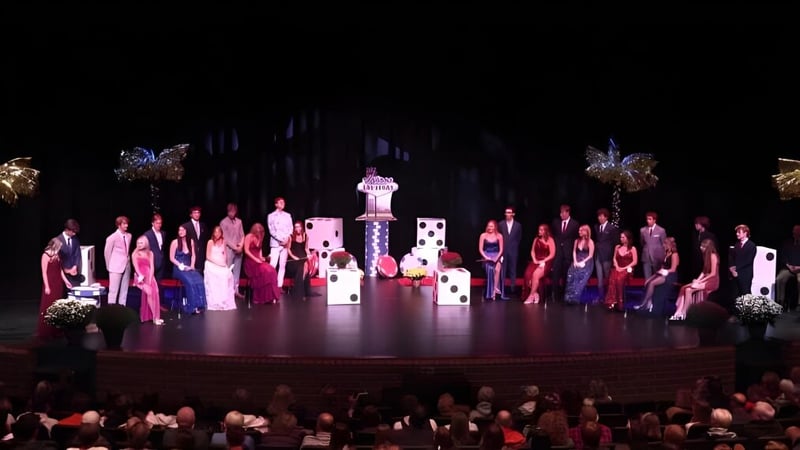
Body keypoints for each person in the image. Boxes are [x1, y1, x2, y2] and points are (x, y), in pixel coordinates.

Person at [671, 239, 719, 321]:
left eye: (703, 246)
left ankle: (684, 312)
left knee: (689, 290)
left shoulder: (713, 255)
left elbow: (713, 273)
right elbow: (704, 271)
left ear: (708, 247)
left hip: (712, 281)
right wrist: (697, 279)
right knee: (685, 288)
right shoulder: (705, 255)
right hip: (705, 279)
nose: (701, 247)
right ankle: (680, 312)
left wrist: (700, 281)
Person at [634, 236, 679, 313]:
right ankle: (649, 303)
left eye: (665, 244)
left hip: (670, 275)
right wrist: (654, 275)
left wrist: (664, 271)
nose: (663, 245)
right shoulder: (667, 253)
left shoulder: (674, 255)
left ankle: (644, 304)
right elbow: (662, 268)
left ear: (669, 244)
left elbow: (673, 269)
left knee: (652, 283)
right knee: (648, 282)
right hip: (663, 273)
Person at [169, 224, 207, 314]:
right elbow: (171, 258)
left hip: (189, 267)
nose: (181, 232)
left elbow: (193, 255)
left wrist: (192, 266)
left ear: (187, 231)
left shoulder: (191, 242)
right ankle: (192, 307)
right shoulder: (175, 242)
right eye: (179, 230)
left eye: (183, 230)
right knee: (190, 282)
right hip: (179, 268)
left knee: (199, 280)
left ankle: (199, 305)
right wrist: (181, 266)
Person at [39, 237, 70, 339]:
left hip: (58, 283)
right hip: (50, 283)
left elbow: (60, 270)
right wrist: (47, 286)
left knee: (57, 306)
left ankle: (56, 330)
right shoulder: (45, 255)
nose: (60, 249)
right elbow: (44, 272)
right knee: (49, 307)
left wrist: (66, 281)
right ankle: (47, 331)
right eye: (59, 247)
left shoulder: (57, 255)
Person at [243, 222, 282, 304]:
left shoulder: (260, 238)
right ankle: (259, 297)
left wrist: (263, 258)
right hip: (250, 262)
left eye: (261, 232)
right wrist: (256, 259)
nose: (259, 233)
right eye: (258, 231)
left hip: (258, 261)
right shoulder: (249, 236)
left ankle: (270, 296)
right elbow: (246, 251)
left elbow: (260, 253)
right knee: (265, 271)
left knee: (271, 270)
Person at [604, 230, 638, 312]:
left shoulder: (632, 248)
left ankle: (620, 303)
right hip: (618, 267)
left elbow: (635, 262)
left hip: (628, 269)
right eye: (620, 237)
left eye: (623, 237)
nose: (621, 239)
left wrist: (623, 268)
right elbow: (614, 258)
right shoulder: (617, 247)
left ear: (627, 238)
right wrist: (617, 266)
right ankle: (612, 302)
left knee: (619, 279)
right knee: (612, 278)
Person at [132, 236, 163, 325]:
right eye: (138, 243)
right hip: (140, 276)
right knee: (149, 293)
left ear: (145, 243)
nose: (139, 245)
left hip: (149, 275)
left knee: (154, 293)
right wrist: (140, 276)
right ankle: (155, 318)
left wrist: (150, 278)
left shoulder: (150, 253)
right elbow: (136, 267)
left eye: (141, 243)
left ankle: (154, 316)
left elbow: (152, 267)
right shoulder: (135, 254)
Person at [204, 225, 237, 311]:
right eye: (215, 232)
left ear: (221, 233)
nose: (217, 233)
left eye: (219, 232)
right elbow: (208, 256)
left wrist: (225, 265)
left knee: (228, 275)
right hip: (212, 263)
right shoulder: (210, 242)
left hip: (221, 263)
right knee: (218, 275)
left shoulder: (224, 241)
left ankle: (224, 300)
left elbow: (225, 254)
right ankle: (216, 301)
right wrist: (218, 263)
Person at [551, 204, 580, 301]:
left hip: (568, 253)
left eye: (563, 212)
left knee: (566, 275)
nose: (561, 214)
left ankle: (565, 295)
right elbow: (553, 235)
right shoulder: (556, 222)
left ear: (568, 212)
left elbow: (576, 239)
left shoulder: (575, 224)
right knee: (555, 274)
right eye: (560, 212)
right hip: (558, 253)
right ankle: (555, 295)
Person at [523, 224, 556, 304]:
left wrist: (544, 261)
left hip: (546, 261)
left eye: (541, 230)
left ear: (546, 231)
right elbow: (532, 251)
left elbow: (552, 254)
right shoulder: (536, 239)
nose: (539, 231)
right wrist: (534, 260)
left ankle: (531, 296)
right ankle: (536, 294)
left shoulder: (550, 240)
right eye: (539, 230)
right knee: (527, 274)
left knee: (535, 275)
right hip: (536, 260)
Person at [104, 216, 132, 306]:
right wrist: (109, 266)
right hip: (115, 267)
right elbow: (107, 253)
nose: (126, 225)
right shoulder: (112, 237)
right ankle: (111, 310)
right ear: (119, 225)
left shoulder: (129, 236)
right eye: (124, 224)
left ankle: (122, 309)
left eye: (127, 223)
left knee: (124, 290)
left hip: (126, 266)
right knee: (113, 290)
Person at [285, 221, 318, 299]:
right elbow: (288, 249)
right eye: (296, 227)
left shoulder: (305, 236)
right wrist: (294, 257)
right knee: (303, 266)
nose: (297, 229)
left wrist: (309, 254)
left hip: (303, 258)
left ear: (302, 227)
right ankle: (300, 289)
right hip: (294, 260)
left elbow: (306, 248)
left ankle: (299, 289)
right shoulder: (291, 236)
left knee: (305, 265)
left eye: (299, 227)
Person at [593, 208, 620, 303]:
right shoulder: (596, 227)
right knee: (599, 278)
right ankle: (601, 297)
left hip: (607, 256)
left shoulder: (612, 228)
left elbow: (616, 244)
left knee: (608, 277)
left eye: (601, 216)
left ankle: (609, 297)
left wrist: (614, 257)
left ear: (606, 217)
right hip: (598, 256)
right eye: (598, 216)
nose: (599, 218)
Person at [564, 224, 595, 305]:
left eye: (581, 230)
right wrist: (575, 261)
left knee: (580, 275)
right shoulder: (576, 241)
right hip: (577, 259)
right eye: (579, 230)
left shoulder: (590, 242)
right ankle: (568, 297)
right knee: (570, 273)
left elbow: (590, 255)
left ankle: (575, 298)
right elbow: (574, 251)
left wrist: (582, 262)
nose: (579, 232)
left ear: (586, 231)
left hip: (586, 261)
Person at [220, 203, 245, 299]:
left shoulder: (239, 221)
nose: (232, 213)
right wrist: (235, 247)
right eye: (230, 211)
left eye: (234, 211)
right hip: (229, 250)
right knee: (228, 271)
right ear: (228, 211)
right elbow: (225, 238)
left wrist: (241, 245)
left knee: (237, 271)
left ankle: (236, 291)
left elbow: (242, 235)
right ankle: (227, 291)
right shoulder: (223, 222)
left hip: (239, 249)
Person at [267, 197, 293, 289]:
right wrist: (280, 239)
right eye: (280, 202)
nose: (282, 203)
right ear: (276, 204)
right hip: (276, 243)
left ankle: (279, 286)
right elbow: (271, 230)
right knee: (273, 264)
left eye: (283, 202)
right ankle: (270, 284)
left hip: (285, 243)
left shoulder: (288, 215)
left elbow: (290, 228)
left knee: (282, 265)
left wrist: (287, 238)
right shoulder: (271, 216)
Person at [775, 224, 800, 310]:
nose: (796, 232)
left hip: (799, 269)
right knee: (779, 279)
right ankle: (780, 301)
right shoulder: (787, 243)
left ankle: (799, 304)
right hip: (788, 268)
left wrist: (798, 267)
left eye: (798, 231)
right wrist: (789, 266)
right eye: (795, 231)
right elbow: (783, 257)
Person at [499, 206, 522, 296]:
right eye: (506, 212)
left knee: (513, 269)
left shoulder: (518, 225)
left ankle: (513, 287)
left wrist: (514, 246)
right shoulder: (501, 224)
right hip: (503, 250)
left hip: (513, 250)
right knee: (503, 269)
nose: (507, 214)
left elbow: (519, 238)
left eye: (509, 212)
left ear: (513, 214)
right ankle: (502, 287)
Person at [478, 220, 504, 301]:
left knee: (497, 269)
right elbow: (480, 249)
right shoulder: (483, 235)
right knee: (490, 269)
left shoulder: (499, 236)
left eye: (492, 226)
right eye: (489, 226)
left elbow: (501, 250)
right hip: (487, 255)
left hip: (496, 255)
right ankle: (492, 292)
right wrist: (486, 257)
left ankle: (494, 290)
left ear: (495, 227)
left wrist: (497, 258)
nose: (490, 228)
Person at [729, 224, 757, 298]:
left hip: (745, 274)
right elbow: (732, 257)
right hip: (735, 274)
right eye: (737, 232)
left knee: (745, 294)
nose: (737, 234)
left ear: (745, 233)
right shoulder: (737, 245)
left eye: (739, 232)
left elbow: (748, 260)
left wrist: (736, 269)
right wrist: (732, 268)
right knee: (735, 295)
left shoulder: (751, 245)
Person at [639, 211, 667, 280]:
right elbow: (642, 242)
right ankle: (648, 290)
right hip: (646, 257)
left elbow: (664, 244)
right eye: (647, 219)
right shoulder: (642, 230)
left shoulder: (661, 230)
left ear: (654, 220)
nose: (648, 221)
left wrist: (663, 257)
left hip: (657, 257)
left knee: (657, 277)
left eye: (650, 219)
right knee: (647, 278)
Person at [182, 206, 208, 274]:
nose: (197, 214)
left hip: (201, 256)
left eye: (198, 212)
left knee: (200, 275)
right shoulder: (185, 226)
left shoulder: (203, 225)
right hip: (190, 254)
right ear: (191, 214)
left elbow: (204, 241)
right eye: (195, 213)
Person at [57, 218, 83, 287]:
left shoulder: (75, 239)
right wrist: (66, 270)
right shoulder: (58, 240)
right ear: (67, 230)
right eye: (73, 232)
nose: (74, 234)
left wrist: (75, 266)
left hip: (74, 273)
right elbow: (57, 259)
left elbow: (77, 254)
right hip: (62, 274)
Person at [143, 213, 168, 282]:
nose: (159, 225)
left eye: (160, 223)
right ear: (152, 223)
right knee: (149, 283)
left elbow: (161, 248)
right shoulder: (147, 234)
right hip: (151, 263)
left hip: (161, 263)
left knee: (159, 284)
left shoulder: (163, 233)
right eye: (157, 223)